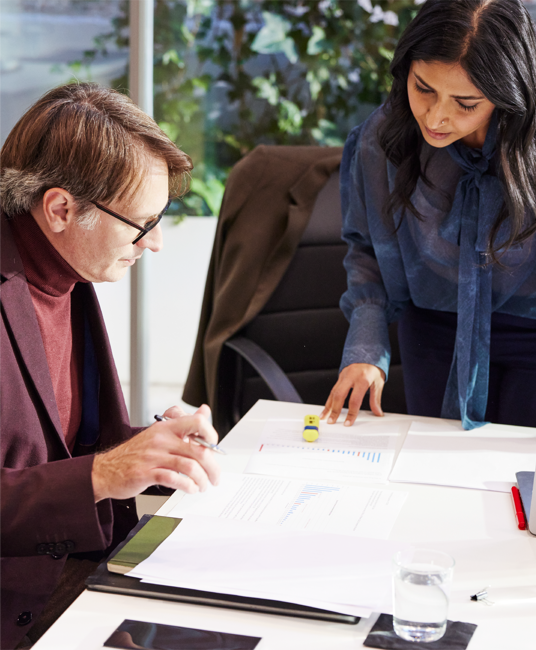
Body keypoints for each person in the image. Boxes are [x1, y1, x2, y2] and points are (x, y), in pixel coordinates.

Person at [0, 83, 221, 650]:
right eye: (142, 224)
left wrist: (152, 446)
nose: (155, 244)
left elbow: (56, 441)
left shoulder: (62, 267)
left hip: (78, 572)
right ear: (60, 208)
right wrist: (104, 473)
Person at [321, 0, 536, 430]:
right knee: (437, 472)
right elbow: (365, 249)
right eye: (423, 89)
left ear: (507, 96)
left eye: (466, 103)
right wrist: (366, 345)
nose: (437, 117)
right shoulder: (381, 141)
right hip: (434, 334)